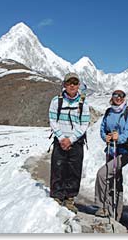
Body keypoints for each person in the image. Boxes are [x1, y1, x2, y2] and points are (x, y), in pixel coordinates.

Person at [48, 72, 90, 213]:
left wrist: (70, 140)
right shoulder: (56, 101)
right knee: (58, 169)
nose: (72, 85)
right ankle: (57, 196)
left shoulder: (83, 103)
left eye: (75, 83)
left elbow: (84, 124)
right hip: (60, 140)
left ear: (79, 85)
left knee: (74, 170)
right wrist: (61, 138)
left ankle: (70, 198)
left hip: (76, 142)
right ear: (64, 85)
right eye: (69, 82)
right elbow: (53, 120)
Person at [94, 86, 128, 221]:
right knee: (115, 181)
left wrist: (120, 138)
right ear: (112, 97)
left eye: (121, 95)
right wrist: (105, 137)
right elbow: (102, 129)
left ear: (125, 98)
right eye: (115, 95)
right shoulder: (108, 112)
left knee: (102, 174)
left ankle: (102, 207)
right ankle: (116, 214)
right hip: (111, 150)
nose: (118, 98)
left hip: (124, 151)